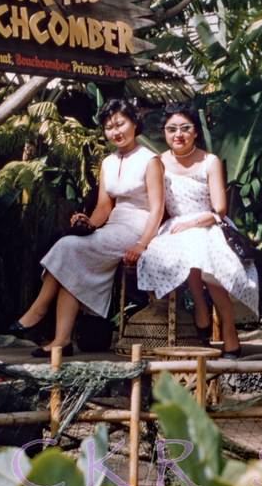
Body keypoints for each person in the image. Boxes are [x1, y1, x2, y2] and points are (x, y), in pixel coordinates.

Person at [10, 99, 164, 357]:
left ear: (134, 123)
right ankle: (62, 341)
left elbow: (158, 208)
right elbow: (104, 205)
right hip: (114, 225)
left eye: (120, 124)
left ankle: (38, 310)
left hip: (139, 225)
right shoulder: (108, 162)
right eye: (108, 127)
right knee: (72, 259)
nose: (115, 131)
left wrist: (142, 244)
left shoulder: (150, 160)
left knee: (68, 247)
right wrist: (88, 223)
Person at [137, 104, 259, 358]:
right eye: (171, 130)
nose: (178, 135)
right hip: (175, 227)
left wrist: (193, 223)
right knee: (184, 250)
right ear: (164, 133)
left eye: (185, 128)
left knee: (207, 259)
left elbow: (220, 208)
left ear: (195, 132)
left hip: (209, 222)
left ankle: (228, 328)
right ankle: (200, 307)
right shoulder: (158, 162)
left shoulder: (209, 161)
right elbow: (158, 205)